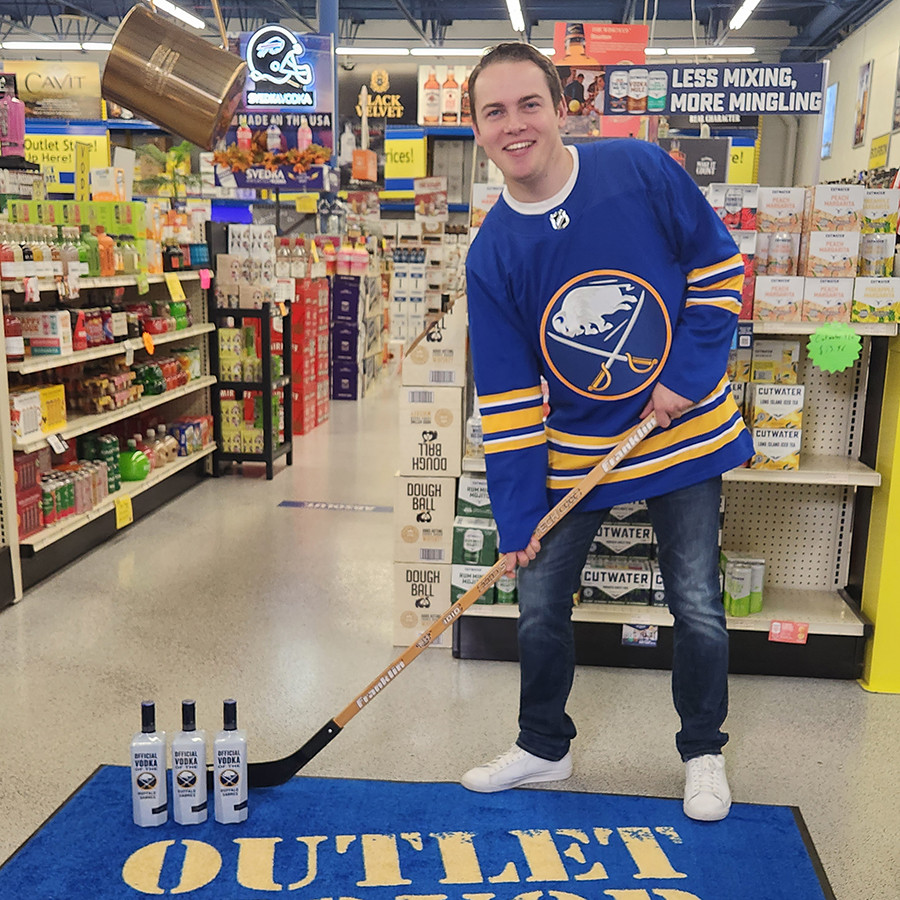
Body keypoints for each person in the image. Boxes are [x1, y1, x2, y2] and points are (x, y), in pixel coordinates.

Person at [461, 42, 753, 822]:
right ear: (477, 129)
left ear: (561, 108)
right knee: (538, 601)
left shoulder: (638, 170)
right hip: (581, 456)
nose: (515, 125)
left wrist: (685, 380)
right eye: (495, 111)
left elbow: (720, 272)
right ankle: (542, 746)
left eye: (530, 104)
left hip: (681, 432)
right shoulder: (492, 254)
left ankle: (703, 752)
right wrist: (517, 517)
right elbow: (512, 399)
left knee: (695, 601)